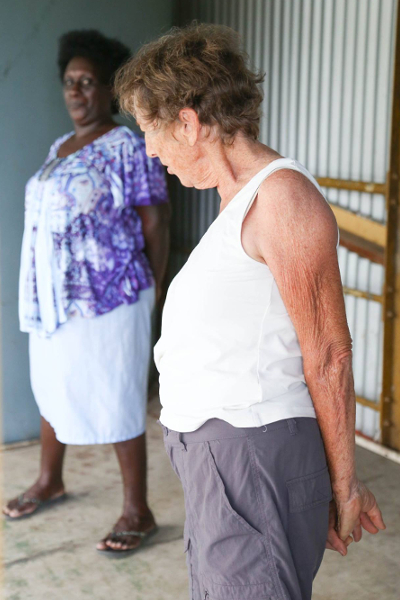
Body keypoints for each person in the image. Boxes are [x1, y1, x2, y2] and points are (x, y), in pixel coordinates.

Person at [114, 23, 386, 598]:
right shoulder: (236, 202)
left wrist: (345, 484)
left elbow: (330, 354)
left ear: (187, 122)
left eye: (149, 131)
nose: (151, 151)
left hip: (250, 458)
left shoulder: (281, 200)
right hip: (225, 462)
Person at [3, 29, 170, 556]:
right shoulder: (60, 147)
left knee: (117, 397)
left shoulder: (126, 146)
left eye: (88, 82)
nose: (76, 92)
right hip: (54, 301)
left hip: (111, 299)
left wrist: (153, 290)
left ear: (108, 90)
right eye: (69, 82)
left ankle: (138, 511)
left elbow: (156, 221)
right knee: (52, 387)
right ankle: (50, 479)